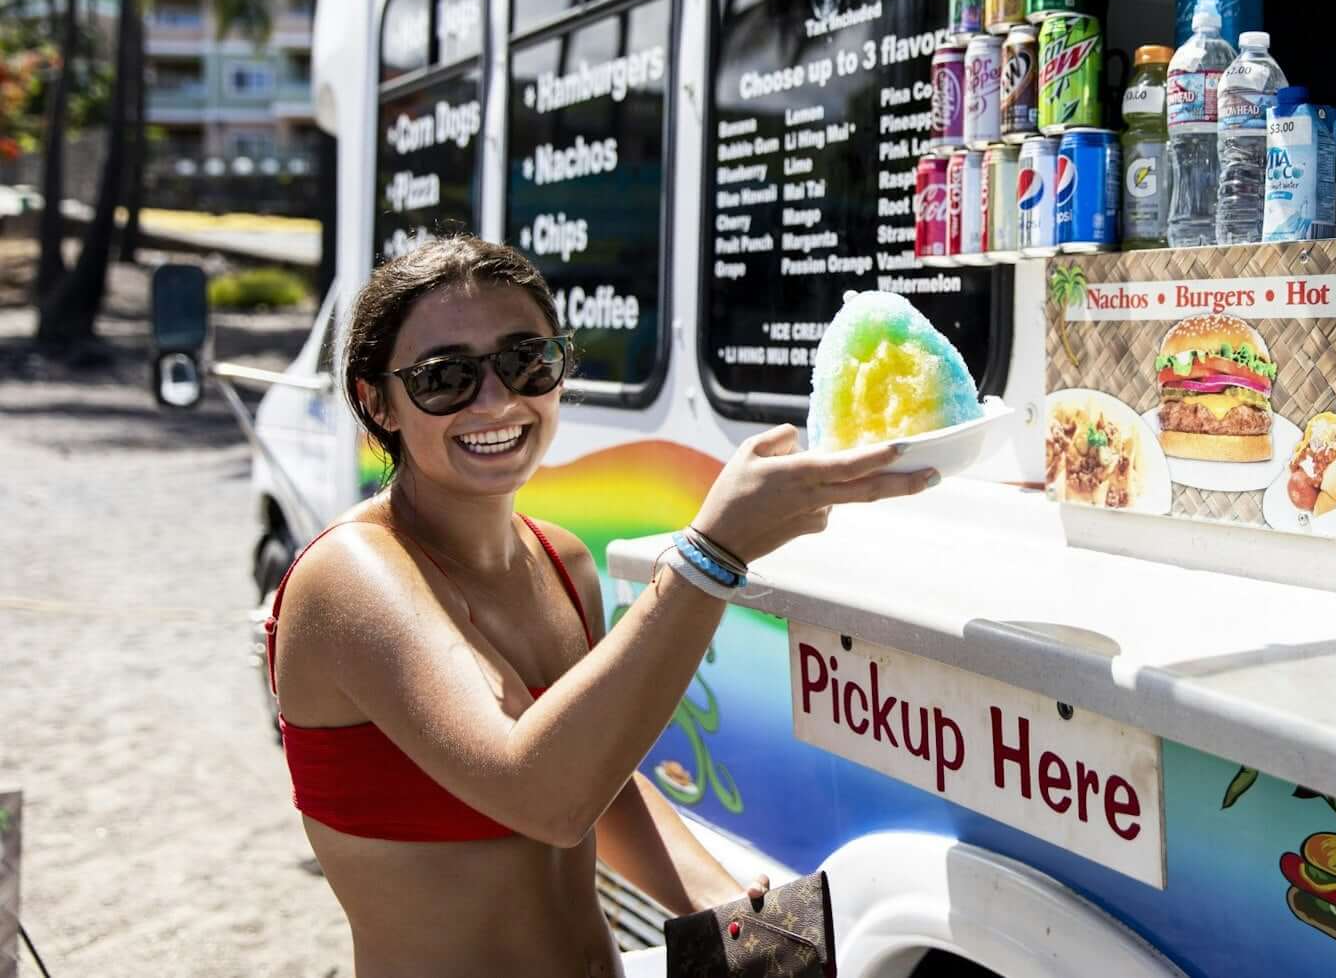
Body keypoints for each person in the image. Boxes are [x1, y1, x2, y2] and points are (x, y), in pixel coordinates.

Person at [264, 237, 934, 977]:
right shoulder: (350, 573)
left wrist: (734, 910)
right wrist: (712, 556)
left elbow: (593, 780)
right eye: (444, 377)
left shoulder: (562, 559)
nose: (496, 401)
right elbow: (543, 795)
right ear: (375, 402)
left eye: (526, 361)